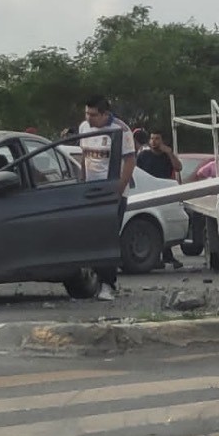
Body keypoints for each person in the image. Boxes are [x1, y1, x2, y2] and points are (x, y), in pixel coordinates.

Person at [78, 95, 136, 301]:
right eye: (87, 113)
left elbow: (129, 161)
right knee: (90, 238)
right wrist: (81, 184)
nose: (89, 118)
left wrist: (118, 190)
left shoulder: (120, 130)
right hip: (91, 191)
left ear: (105, 114)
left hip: (111, 192)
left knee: (108, 237)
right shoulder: (84, 128)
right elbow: (84, 158)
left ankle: (107, 284)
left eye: (93, 115)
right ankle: (91, 281)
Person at [135, 129, 184, 270]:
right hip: (147, 193)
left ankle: (168, 256)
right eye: (152, 138)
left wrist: (169, 152)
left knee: (164, 224)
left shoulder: (166, 156)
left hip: (164, 192)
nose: (154, 142)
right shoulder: (144, 156)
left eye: (157, 138)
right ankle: (156, 258)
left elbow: (178, 167)